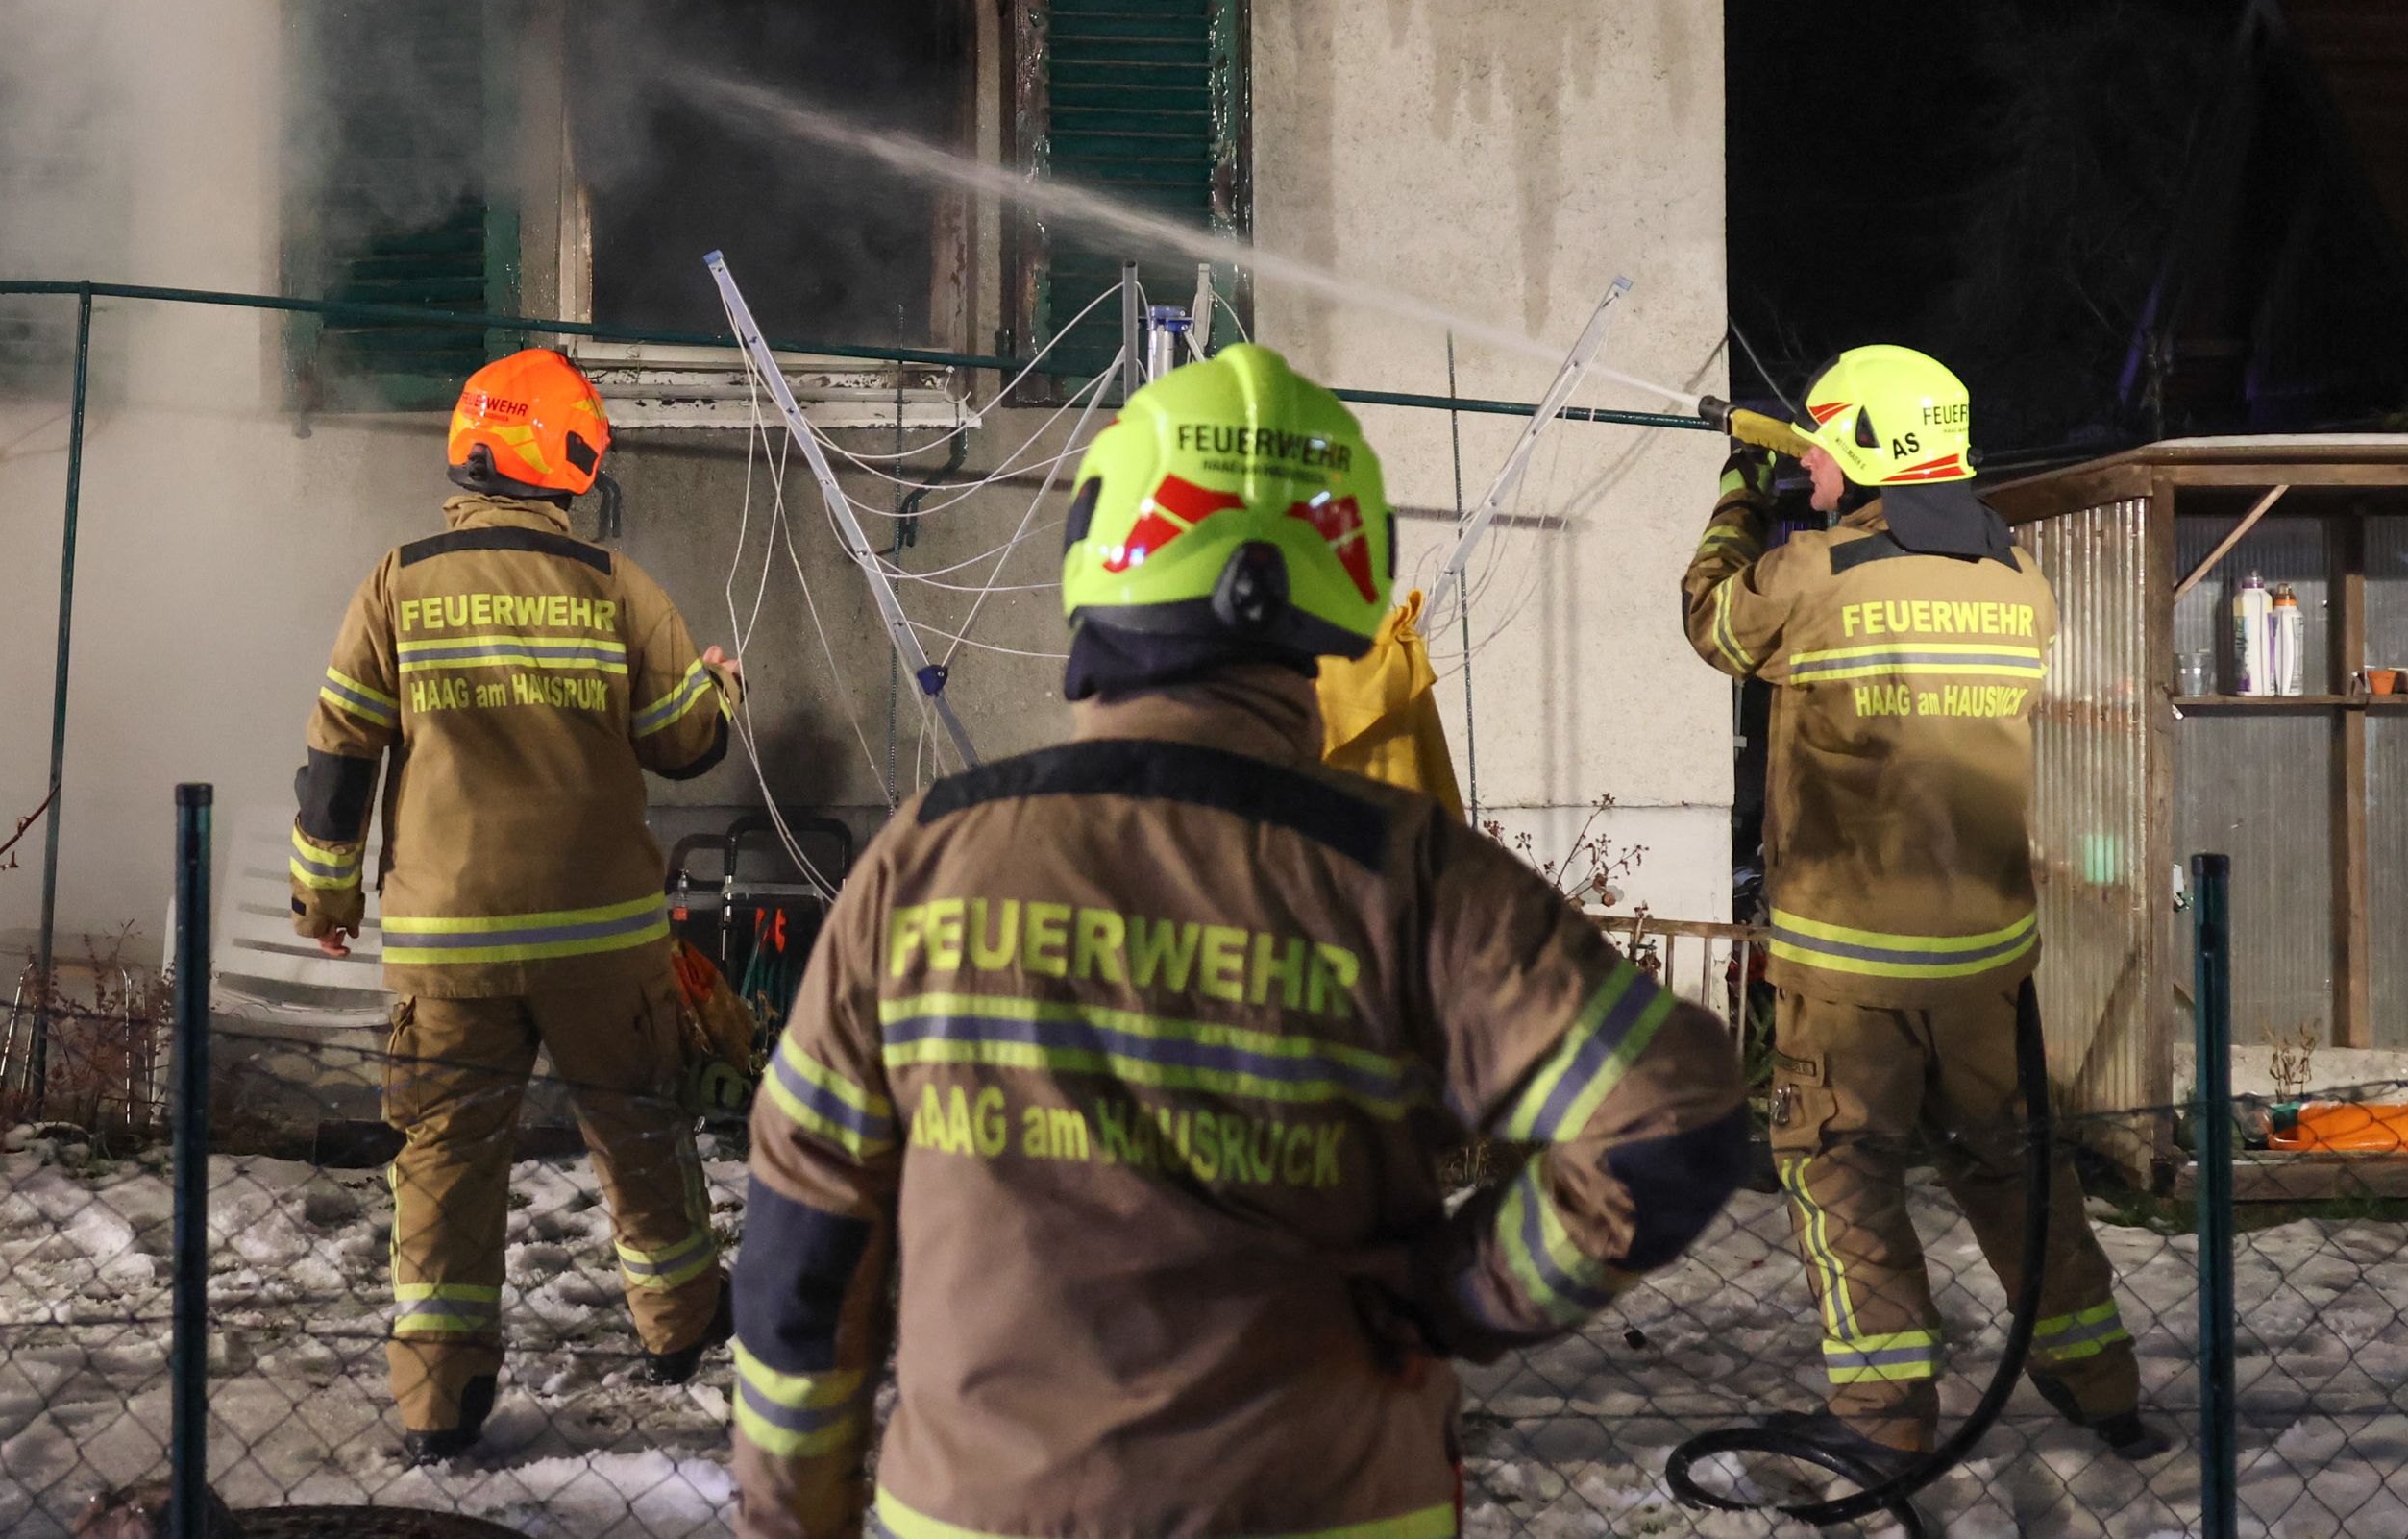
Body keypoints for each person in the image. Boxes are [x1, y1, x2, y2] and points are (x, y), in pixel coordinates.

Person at [728, 345, 1747, 1539]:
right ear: (1346, 575)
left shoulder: (925, 858)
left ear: (1100, 552)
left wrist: (793, 1518)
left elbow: (802, 1248)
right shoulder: (1405, 872)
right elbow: (1672, 1117)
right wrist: (1463, 1290)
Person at [1683, 343, 2162, 1470]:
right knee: (2014, 1173)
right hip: (1984, 966)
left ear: (1860, 449)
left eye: (1827, 445)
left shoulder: (1815, 578)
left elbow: (1713, 620)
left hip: (1847, 970)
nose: (1815, 467)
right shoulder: (2018, 587)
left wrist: (1736, 501)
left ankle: (1884, 1413)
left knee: (1840, 1172)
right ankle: (2103, 1387)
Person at [288, 348, 741, 1463]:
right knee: (639, 1127)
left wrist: (326, 890)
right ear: (567, 458)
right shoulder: (613, 587)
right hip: (602, 939)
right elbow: (686, 745)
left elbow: (339, 755)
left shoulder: (396, 580)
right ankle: (679, 1330)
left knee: (441, 1157)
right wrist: (723, 687)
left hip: (448, 945)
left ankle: (438, 1400)